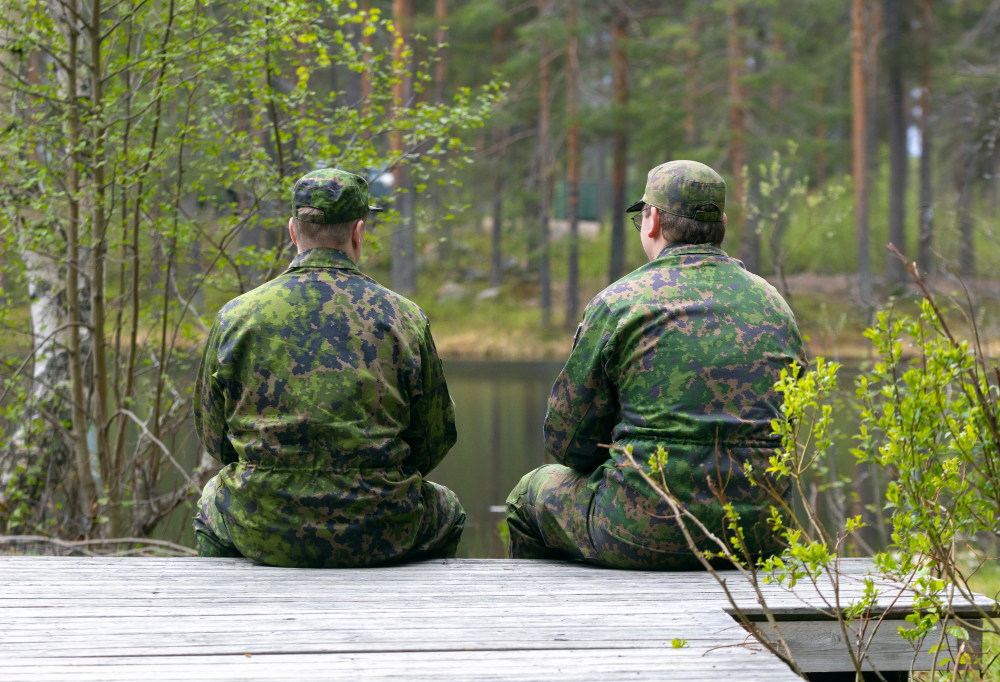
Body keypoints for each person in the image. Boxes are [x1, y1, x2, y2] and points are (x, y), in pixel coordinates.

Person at [505, 160, 807, 570]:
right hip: (759, 534)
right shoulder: (774, 306)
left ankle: (548, 623)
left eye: (641, 215)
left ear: (654, 221)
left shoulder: (620, 302)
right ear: (720, 224)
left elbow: (565, 443)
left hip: (641, 530)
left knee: (530, 493)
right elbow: (788, 425)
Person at [193, 168, 464, 567]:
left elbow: (214, 436)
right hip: (378, 526)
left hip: (264, 523)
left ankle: (228, 611)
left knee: (212, 501)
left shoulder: (237, 316)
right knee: (447, 508)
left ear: (292, 231)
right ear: (358, 232)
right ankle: (412, 610)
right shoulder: (403, 317)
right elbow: (434, 438)